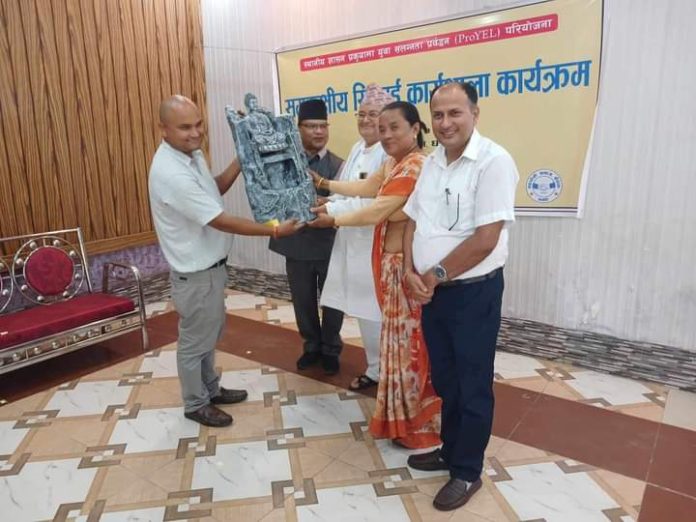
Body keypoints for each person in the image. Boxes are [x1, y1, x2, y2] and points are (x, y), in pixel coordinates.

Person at [148, 95, 301, 428]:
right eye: (185, 127)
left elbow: (212, 189)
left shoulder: (191, 155)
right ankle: (195, 403)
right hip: (195, 275)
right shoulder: (170, 172)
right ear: (163, 129)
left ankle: (210, 389)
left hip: (211, 270)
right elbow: (218, 219)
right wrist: (274, 229)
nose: (195, 133)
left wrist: (243, 156)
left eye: (198, 124)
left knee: (208, 335)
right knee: (195, 342)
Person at [402, 82, 519, 511]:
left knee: (472, 385)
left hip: (473, 293)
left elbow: (486, 239)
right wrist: (408, 270)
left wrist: (432, 275)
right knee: (447, 378)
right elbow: (412, 219)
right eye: (438, 115)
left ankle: (467, 471)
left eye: (455, 113)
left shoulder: (493, 162)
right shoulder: (433, 162)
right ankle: (450, 450)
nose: (445, 123)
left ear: (475, 113)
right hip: (434, 293)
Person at [309, 101, 441, 449]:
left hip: (403, 269)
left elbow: (376, 210)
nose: (386, 135)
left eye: (394, 127)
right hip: (388, 265)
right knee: (393, 343)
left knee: (406, 345)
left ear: (415, 129)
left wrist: (333, 219)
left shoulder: (416, 165)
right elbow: (368, 188)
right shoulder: (394, 163)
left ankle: (416, 423)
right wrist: (325, 183)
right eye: (382, 129)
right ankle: (400, 417)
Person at [319, 84, 391, 391]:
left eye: (372, 114)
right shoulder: (357, 148)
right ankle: (375, 368)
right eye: (361, 114)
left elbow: (372, 202)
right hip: (351, 240)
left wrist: (331, 212)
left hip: (375, 244)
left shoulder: (388, 154)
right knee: (363, 311)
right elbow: (346, 189)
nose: (365, 120)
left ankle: (387, 372)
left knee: (377, 312)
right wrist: (326, 203)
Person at [269, 99, 345, 375]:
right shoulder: (284, 162)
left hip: (329, 245)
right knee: (302, 300)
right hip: (296, 244)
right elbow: (274, 197)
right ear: (298, 128)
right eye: (312, 126)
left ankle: (331, 349)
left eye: (323, 126)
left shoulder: (340, 165)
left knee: (333, 301)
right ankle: (311, 346)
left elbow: (343, 203)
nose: (319, 131)